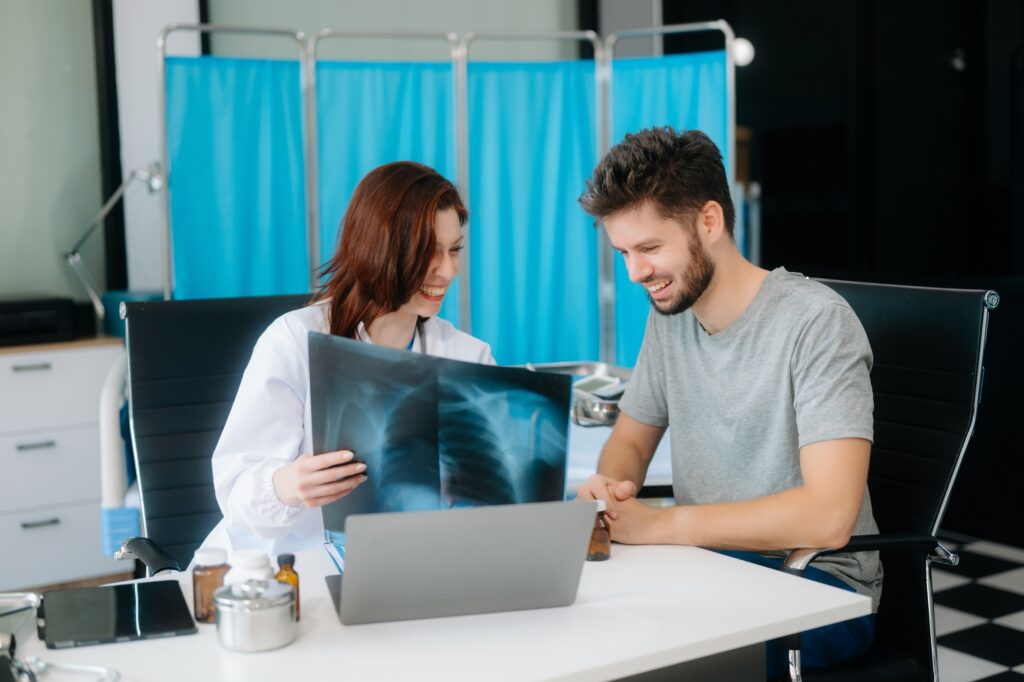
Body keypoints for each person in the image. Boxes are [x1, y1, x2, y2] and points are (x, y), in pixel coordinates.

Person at [576, 127, 881, 675]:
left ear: (709, 222)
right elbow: (629, 440)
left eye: (648, 248)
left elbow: (830, 517)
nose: (635, 273)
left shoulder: (816, 322)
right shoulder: (670, 318)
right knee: (583, 634)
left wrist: (662, 526)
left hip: (814, 583)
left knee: (646, 661)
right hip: (710, 568)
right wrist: (614, 489)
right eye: (623, 252)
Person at [208, 161, 495, 555]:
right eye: (429, 252)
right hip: (291, 571)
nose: (447, 270)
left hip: (415, 565)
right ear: (378, 248)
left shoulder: (468, 356)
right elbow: (235, 491)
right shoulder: (294, 340)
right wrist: (289, 485)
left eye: (455, 250)